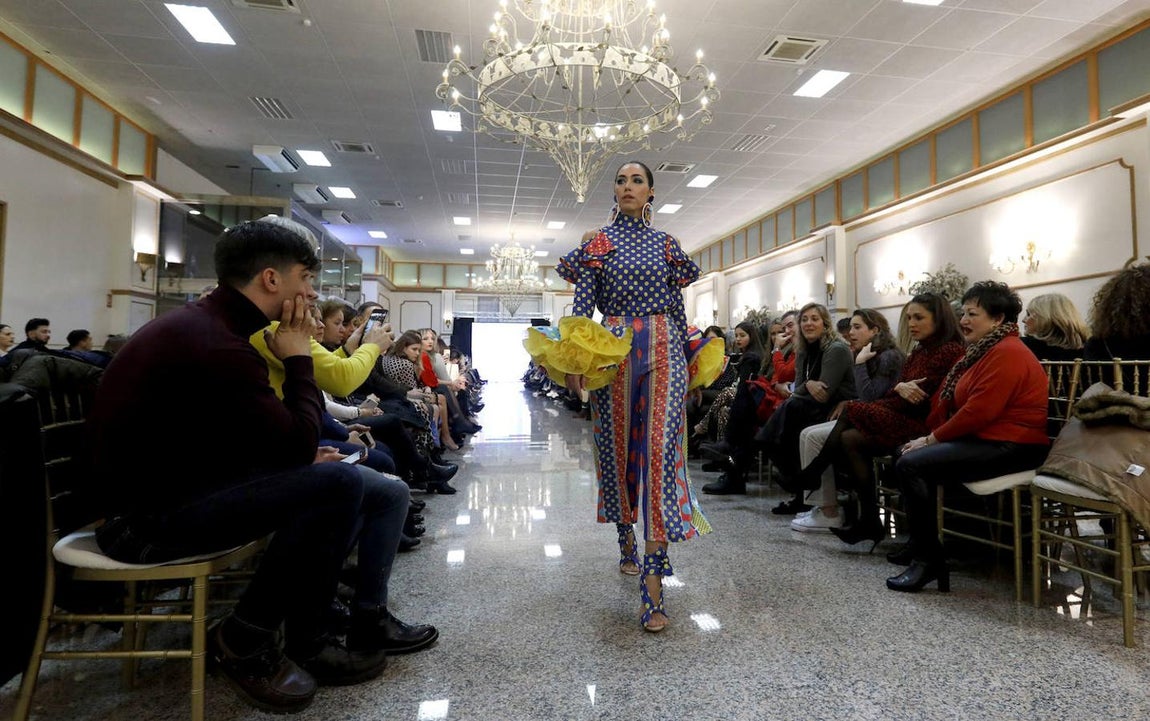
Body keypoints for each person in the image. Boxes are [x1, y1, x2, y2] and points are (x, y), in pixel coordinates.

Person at [88, 217, 393, 713]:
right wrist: (298, 360)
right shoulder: (218, 341)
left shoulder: (212, 326)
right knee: (335, 483)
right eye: (307, 279)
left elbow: (234, 435)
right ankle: (249, 638)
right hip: (141, 523)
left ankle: (311, 627)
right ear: (272, 280)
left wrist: (291, 457)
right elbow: (294, 441)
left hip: (178, 490)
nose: (313, 294)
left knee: (346, 480)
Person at [553, 160, 710, 633]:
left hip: (665, 346)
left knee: (661, 454)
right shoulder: (597, 243)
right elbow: (583, 309)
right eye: (620, 181)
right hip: (614, 347)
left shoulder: (667, 246)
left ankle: (654, 577)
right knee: (619, 452)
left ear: (651, 192)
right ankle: (626, 536)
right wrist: (576, 361)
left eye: (636, 180)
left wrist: (690, 363)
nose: (627, 186)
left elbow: (678, 311)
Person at [888, 281, 1049, 593]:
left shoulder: (1008, 352)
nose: (963, 320)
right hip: (986, 439)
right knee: (904, 455)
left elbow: (979, 412)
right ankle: (922, 547)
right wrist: (927, 435)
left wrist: (930, 440)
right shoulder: (982, 351)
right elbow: (956, 403)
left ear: (998, 319)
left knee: (911, 464)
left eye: (972, 313)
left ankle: (928, 560)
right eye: (962, 312)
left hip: (1013, 445)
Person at [790, 308, 905, 532]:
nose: (850, 332)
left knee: (814, 435)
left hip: (883, 421)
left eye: (857, 327)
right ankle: (818, 500)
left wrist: (859, 364)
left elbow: (870, 397)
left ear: (875, 330)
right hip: (863, 416)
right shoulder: (865, 352)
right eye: (850, 327)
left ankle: (828, 508)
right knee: (808, 432)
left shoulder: (888, 356)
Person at [758, 303, 858, 514]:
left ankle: (796, 483)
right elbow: (803, 386)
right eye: (804, 319)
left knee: (792, 409)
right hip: (809, 405)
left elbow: (824, 392)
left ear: (825, 323)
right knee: (793, 410)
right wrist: (808, 385)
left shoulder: (836, 349)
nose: (808, 323)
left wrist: (807, 386)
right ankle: (797, 486)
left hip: (836, 408)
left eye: (814, 319)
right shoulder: (803, 350)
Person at [1021, 293, 1089, 361]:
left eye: (1028, 314)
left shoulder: (1024, 346)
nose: (1023, 320)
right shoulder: (1090, 349)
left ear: (1045, 318)